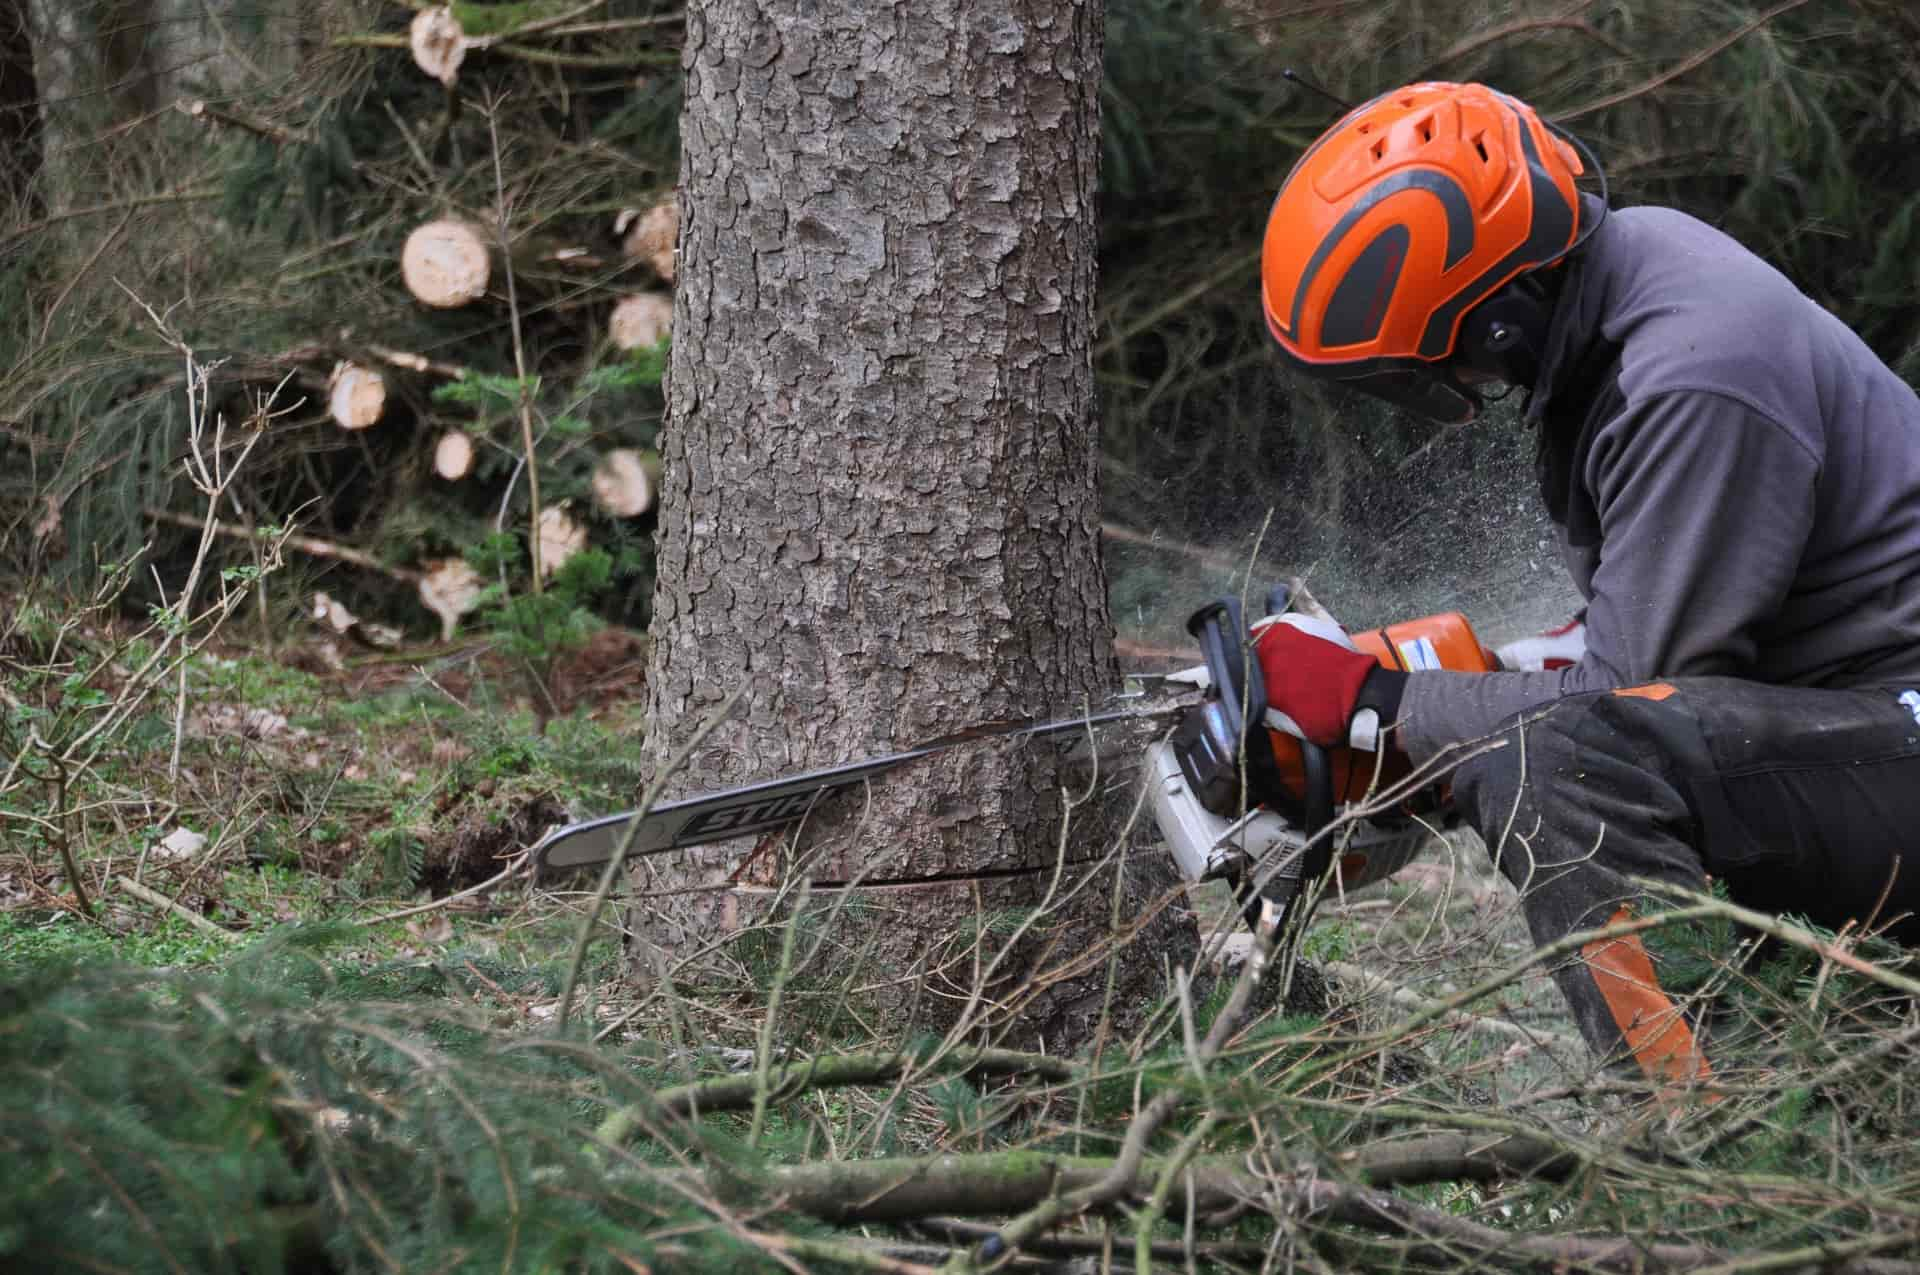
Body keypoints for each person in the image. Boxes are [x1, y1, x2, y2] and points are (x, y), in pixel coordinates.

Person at [1250, 80, 1920, 1090]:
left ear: (1497, 323)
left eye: (1428, 367)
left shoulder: (1693, 374)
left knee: (1559, 769)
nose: (1449, 389)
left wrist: (1380, 706)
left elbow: (1629, 704)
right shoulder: (1626, 288)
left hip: (1894, 722)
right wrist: (1435, 684)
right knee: (1550, 739)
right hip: (1860, 718)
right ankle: (1824, 1087)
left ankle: (1705, 1147)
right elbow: (1648, 631)